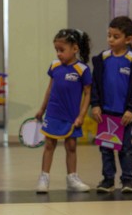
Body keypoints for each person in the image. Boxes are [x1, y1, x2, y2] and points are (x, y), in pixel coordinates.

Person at [91, 16, 132, 193]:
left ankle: (127, 180)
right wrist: (95, 104)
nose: (110, 40)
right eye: (109, 36)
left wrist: (131, 109)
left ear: (128, 39)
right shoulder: (102, 59)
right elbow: (95, 84)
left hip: (124, 115)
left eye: (116, 36)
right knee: (105, 148)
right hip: (104, 112)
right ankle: (108, 180)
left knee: (125, 148)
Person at [35, 29, 92, 193]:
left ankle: (72, 178)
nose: (59, 54)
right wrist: (42, 109)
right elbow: (49, 89)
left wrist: (81, 115)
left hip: (72, 115)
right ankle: (44, 178)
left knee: (72, 146)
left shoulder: (82, 69)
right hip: (53, 113)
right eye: (56, 50)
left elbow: (88, 94)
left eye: (62, 50)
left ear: (75, 49)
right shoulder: (54, 66)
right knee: (49, 144)